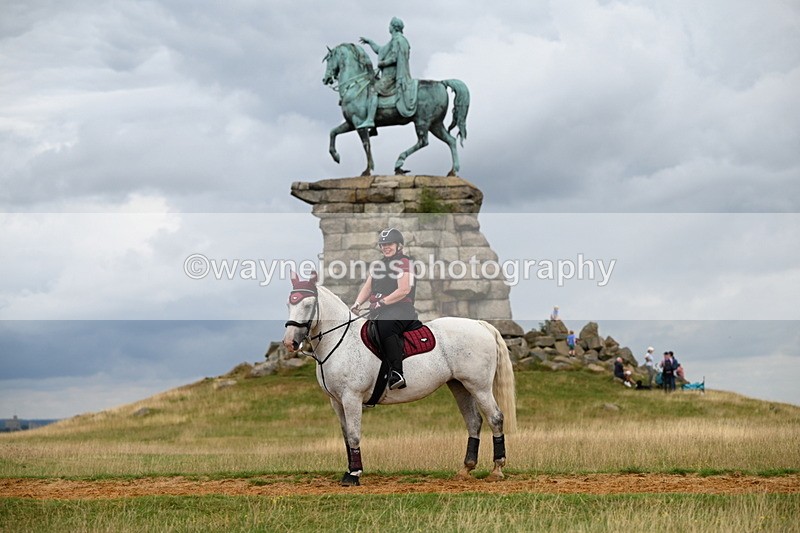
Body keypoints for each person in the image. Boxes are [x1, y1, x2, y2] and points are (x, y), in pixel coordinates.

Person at [351, 228, 417, 390]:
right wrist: (357, 304)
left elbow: (404, 290)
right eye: (383, 244)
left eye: (389, 244)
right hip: (381, 310)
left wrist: (381, 302)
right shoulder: (379, 265)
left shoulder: (404, 263)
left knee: (384, 327)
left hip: (402, 309)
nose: (385, 247)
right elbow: (367, 288)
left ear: (398, 245)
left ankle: (397, 373)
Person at [359, 17, 418, 129]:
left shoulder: (397, 40)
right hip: (389, 75)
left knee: (373, 90)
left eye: (390, 25)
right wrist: (370, 42)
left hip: (392, 76)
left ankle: (370, 120)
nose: (388, 27)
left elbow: (394, 58)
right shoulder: (396, 40)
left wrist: (382, 63)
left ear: (394, 27)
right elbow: (380, 50)